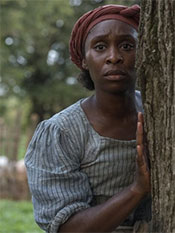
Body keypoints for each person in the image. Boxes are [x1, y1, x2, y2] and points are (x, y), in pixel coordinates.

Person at [25, 4, 152, 233]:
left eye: (127, 46)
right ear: (84, 59)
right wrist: (136, 190)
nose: (114, 57)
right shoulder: (61, 133)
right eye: (100, 46)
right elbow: (67, 229)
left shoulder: (159, 113)